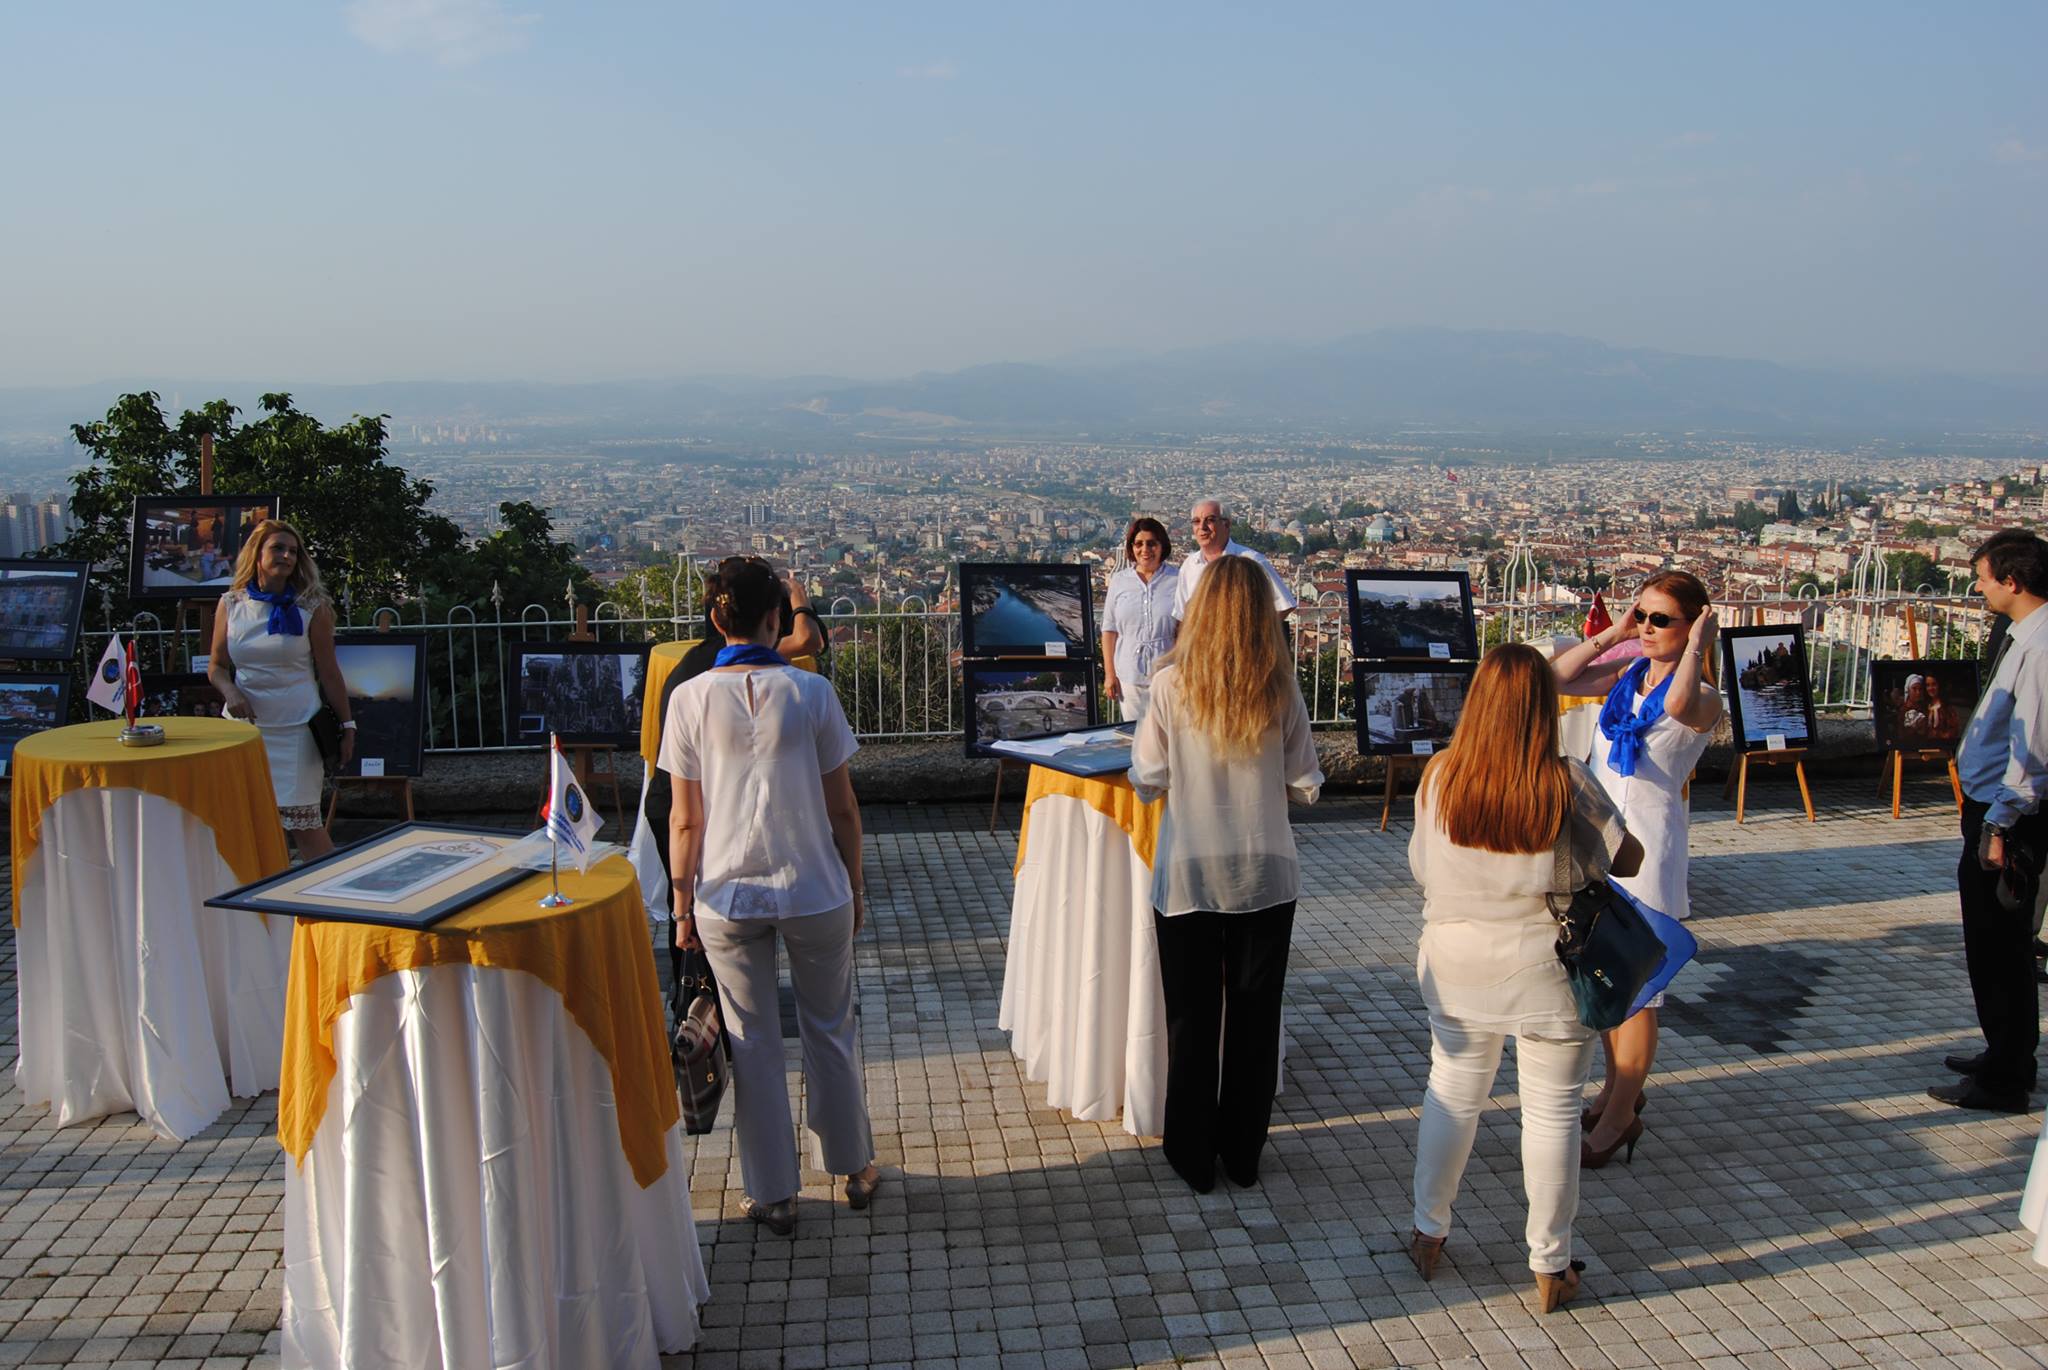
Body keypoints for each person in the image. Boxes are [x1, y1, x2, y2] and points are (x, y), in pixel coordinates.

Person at [1407, 643, 1644, 1312]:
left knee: (1452, 1094)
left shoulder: (1439, 775)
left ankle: (1428, 1230)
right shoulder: (1567, 781)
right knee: (1553, 1112)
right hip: (1548, 966)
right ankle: (1550, 1262)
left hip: (1455, 961)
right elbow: (1625, 858)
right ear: (1544, 706)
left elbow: (1421, 867)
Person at [660, 557, 879, 1233]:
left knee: (751, 1041)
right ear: (776, 617)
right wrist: (855, 882)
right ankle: (852, 1166)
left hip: (725, 894)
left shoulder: (689, 697)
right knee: (829, 1026)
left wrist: (679, 907)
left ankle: (773, 1192)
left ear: (715, 618)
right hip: (814, 884)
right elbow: (842, 808)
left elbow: (685, 820)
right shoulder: (811, 693)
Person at [1129, 555, 1323, 1193]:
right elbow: (1306, 783)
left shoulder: (1170, 685)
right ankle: (1243, 1153)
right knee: (1254, 1019)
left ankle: (1192, 1154)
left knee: (1190, 1019)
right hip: (1266, 870)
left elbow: (1148, 778)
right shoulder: (1280, 687)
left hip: (1190, 870)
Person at [1548, 570, 1720, 1168]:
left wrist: (1696, 646)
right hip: (1601, 843)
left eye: (1660, 619)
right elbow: (1556, 678)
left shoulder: (1703, 695)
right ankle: (1616, 1092)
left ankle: (1621, 1116)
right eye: (1641, 614)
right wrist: (1615, 633)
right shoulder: (1627, 675)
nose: (1646, 627)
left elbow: (1677, 704)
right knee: (1605, 972)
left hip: (1650, 848)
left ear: (1692, 625)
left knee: (1641, 990)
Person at [1931, 530, 2048, 1112]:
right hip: (1995, 808)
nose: (1978, 589)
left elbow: (2034, 749)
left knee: (1999, 946)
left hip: (2007, 816)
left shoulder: (2041, 647)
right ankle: (2005, 1053)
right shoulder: (2024, 636)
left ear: (2012, 580)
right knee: (1995, 944)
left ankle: (2005, 1079)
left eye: (1982, 578)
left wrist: (1999, 825)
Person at [209, 519, 354, 859]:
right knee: (247, 824)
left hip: (297, 730)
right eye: (278, 548)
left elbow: (330, 673)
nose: (286, 556)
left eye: (293, 551)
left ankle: (331, 889)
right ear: (257, 554)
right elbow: (216, 666)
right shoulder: (231, 605)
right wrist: (231, 692)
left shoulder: (311, 608)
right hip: (245, 732)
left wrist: (348, 726)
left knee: (306, 827)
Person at [1100, 517, 1179, 722]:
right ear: (1131, 547)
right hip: (1129, 675)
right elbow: (1109, 630)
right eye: (1139, 544)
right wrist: (1110, 674)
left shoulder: (1177, 579)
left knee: (1167, 734)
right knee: (1134, 734)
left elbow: (1185, 629)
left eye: (1151, 543)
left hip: (1168, 674)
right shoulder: (1119, 581)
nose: (1145, 550)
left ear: (1162, 546)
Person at [1171, 500, 1297, 621]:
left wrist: (1255, 632)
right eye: (1196, 521)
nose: (1202, 527)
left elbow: (1284, 605)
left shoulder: (1251, 561)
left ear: (1226, 524)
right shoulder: (1189, 565)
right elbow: (1181, 616)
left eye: (1210, 520)